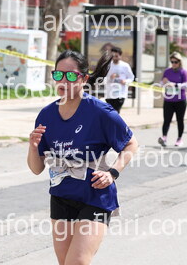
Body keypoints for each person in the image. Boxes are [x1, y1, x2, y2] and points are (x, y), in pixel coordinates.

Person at [27, 50, 138, 265]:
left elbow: (131, 143)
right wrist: (32, 148)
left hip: (95, 194)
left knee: (77, 262)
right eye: (58, 75)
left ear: (84, 79)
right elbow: (36, 168)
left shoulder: (100, 112)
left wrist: (112, 173)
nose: (63, 81)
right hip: (61, 195)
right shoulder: (46, 115)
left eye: (71, 75)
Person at [159, 52, 187, 147]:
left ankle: (179, 139)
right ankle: (164, 137)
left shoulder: (183, 72)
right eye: (172, 62)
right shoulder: (167, 71)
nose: (173, 64)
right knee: (166, 120)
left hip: (180, 100)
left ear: (179, 62)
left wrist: (175, 85)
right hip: (168, 100)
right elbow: (161, 83)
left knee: (180, 120)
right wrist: (163, 83)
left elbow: (186, 85)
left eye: (175, 62)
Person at [104, 47, 135, 113]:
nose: (114, 58)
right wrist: (110, 78)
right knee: (110, 112)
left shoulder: (125, 66)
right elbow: (103, 79)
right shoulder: (108, 65)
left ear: (120, 56)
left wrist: (126, 81)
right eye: (113, 56)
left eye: (116, 56)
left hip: (120, 93)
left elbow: (131, 77)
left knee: (116, 111)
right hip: (109, 93)